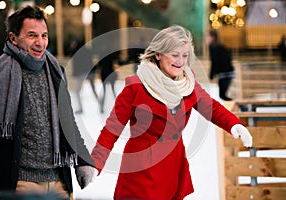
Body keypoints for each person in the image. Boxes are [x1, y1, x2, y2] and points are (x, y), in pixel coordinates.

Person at [90, 25, 253, 200]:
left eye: (185, 55)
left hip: (173, 170)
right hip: (141, 176)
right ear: (158, 54)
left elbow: (211, 107)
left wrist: (234, 124)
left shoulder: (188, 85)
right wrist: (94, 164)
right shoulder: (136, 88)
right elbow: (111, 130)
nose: (180, 61)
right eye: (175, 55)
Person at [0, 5, 96, 199]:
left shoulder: (56, 71)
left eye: (43, 35)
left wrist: (82, 160)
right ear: (13, 38)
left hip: (58, 180)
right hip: (19, 183)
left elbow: (68, 122)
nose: (40, 43)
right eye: (32, 35)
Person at [70, 43, 99, 114]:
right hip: (90, 72)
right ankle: (101, 105)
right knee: (93, 89)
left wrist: (74, 75)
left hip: (82, 73)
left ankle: (80, 108)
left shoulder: (76, 52)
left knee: (76, 91)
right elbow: (92, 62)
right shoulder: (87, 51)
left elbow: (76, 65)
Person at [207, 29, 235, 101]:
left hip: (225, 74)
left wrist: (211, 75)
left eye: (208, 36)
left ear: (212, 37)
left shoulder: (213, 47)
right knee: (222, 95)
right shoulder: (219, 46)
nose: (206, 39)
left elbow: (214, 61)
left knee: (222, 95)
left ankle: (239, 107)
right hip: (228, 73)